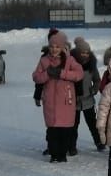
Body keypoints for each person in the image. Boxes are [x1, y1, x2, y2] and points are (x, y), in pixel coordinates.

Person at [32, 30, 84, 162]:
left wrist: (62, 73)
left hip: (66, 101)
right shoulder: (44, 61)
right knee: (52, 130)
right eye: (51, 46)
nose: (54, 49)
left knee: (65, 129)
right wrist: (47, 74)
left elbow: (79, 74)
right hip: (50, 100)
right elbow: (36, 77)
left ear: (62, 47)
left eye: (57, 47)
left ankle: (62, 154)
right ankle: (54, 155)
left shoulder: (70, 60)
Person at [71, 36, 104, 153]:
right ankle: (72, 146)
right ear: (77, 53)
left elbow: (97, 80)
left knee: (92, 123)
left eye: (87, 52)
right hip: (74, 100)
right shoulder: (71, 64)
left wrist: (94, 89)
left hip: (88, 99)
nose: (85, 55)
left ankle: (99, 142)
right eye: (82, 52)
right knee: (73, 125)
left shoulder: (91, 65)